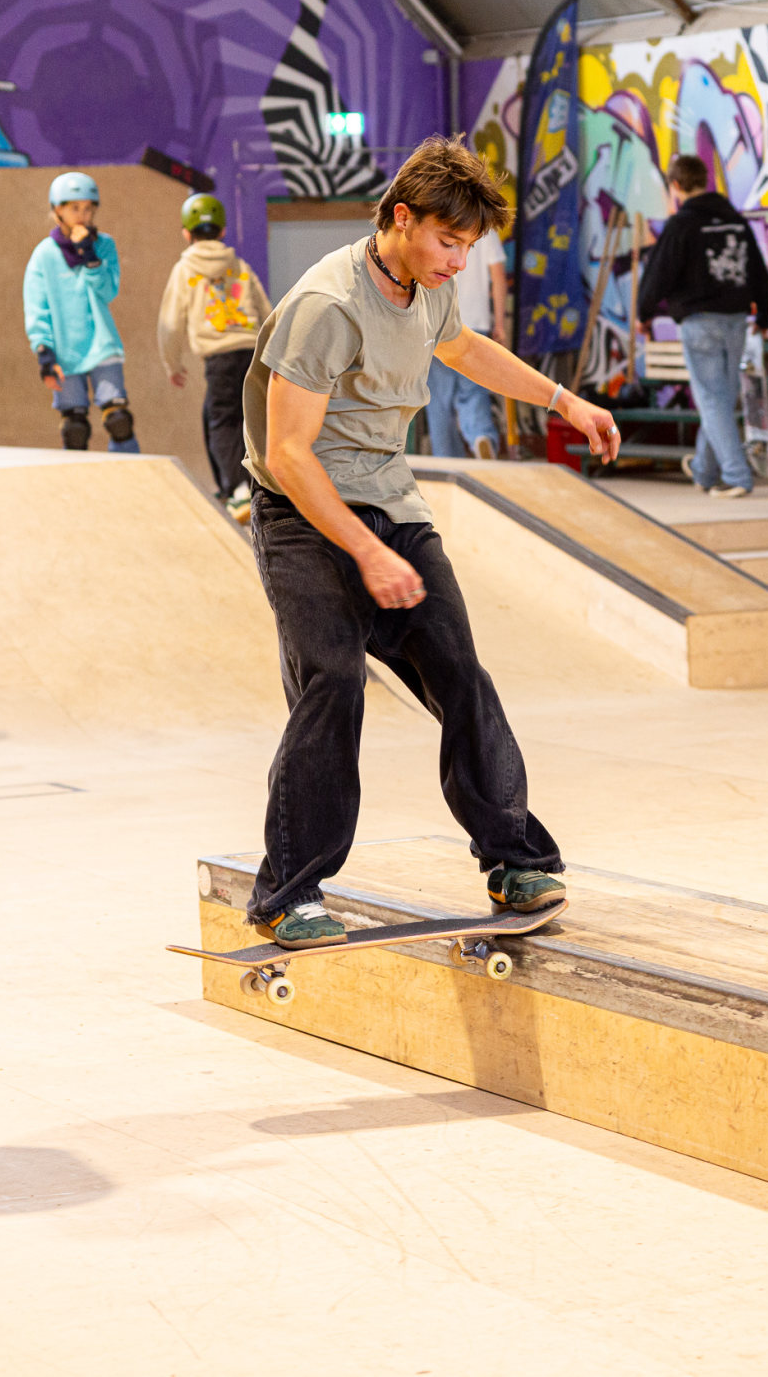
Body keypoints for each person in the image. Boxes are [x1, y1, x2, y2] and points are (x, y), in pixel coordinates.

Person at [240, 136, 621, 946]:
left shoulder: (427, 288)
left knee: (459, 674)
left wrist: (563, 401)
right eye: (449, 242)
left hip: (392, 506)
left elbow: (463, 348)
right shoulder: (326, 305)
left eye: (469, 247)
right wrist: (365, 552)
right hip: (304, 519)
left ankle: (515, 860)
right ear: (401, 218)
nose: (458, 262)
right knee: (333, 683)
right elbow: (287, 454)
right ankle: (289, 893)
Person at [635, 154, 768, 498]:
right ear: (705, 180)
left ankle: (737, 475)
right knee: (721, 399)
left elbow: (659, 273)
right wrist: (765, 316)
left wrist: (644, 313)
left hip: (700, 323)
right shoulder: (735, 221)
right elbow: (758, 269)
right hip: (737, 322)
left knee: (712, 400)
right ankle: (703, 470)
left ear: (676, 186)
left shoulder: (682, 225)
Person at [158, 192, 272, 515]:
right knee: (238, 419)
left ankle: (238, 489)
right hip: (251, 352)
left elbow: (170, 321)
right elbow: (267, 311)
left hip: (219, 357)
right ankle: (229, 486)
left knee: (223, 420)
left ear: (186, 233)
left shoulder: (184, 269)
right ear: (222, 231)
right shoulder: (239, 265)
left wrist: (172, 362)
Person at [24, 171, 137, 453]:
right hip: (64, 350)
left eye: (88, 208)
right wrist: (44, 352)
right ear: (57, 210)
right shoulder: (44, 254)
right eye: (74, 208)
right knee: (74, 427)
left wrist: (90, 256)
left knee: (119, 420)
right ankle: (77, 488)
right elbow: (36, 305)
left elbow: (108, 291)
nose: (82, 215)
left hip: (102, 343)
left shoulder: (104, 245)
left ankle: (128, 479)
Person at [427, 223, 508, 458]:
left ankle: (446, 459)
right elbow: (499, 278)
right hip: (476, 324)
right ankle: (480, 436)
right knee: (473, 392)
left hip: (439, 326)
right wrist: (500, 325)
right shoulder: (485, 229)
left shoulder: (439, 226)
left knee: (439, 399)